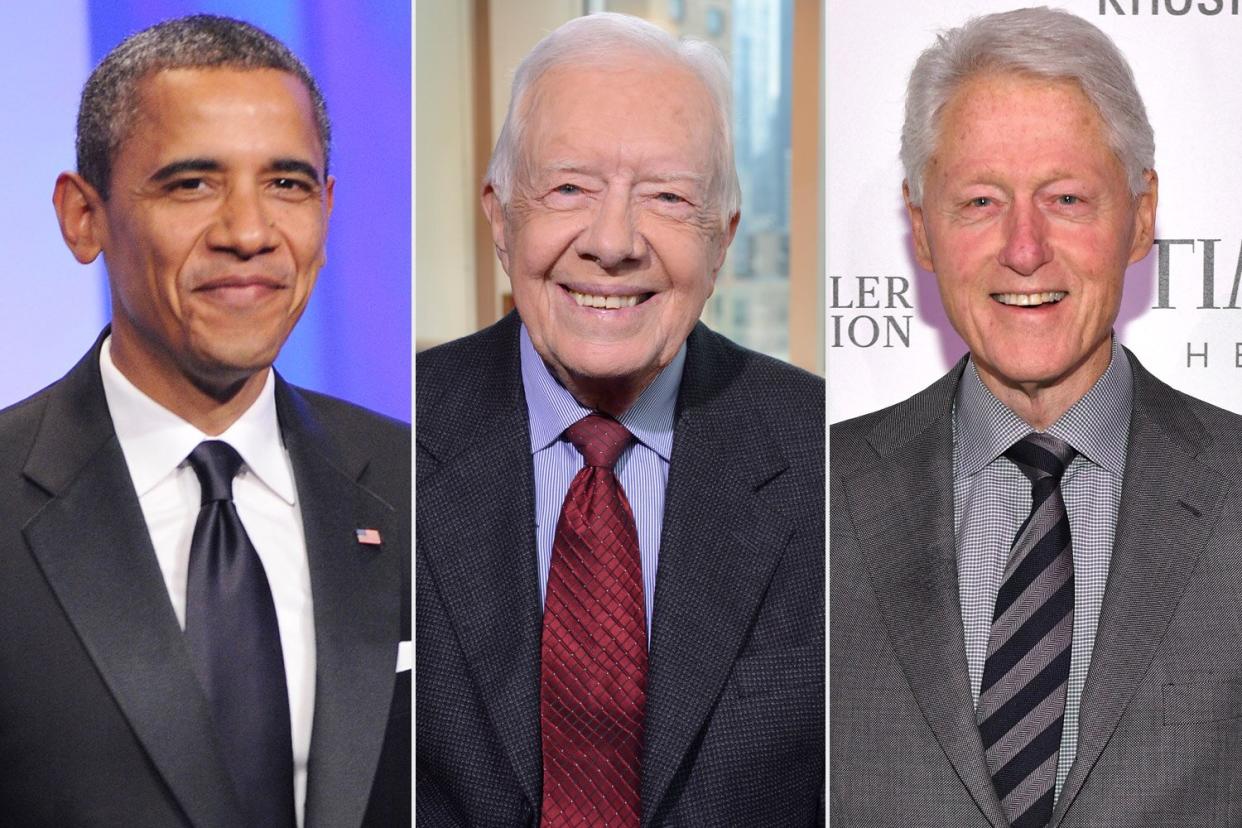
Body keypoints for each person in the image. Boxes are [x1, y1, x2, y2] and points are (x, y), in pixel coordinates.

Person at [831, 6, 1242, 826]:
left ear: (1141, 215)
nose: (1024, 249)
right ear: (922, 227)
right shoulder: (822, 493)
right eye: (981, 201)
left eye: (1065, 198)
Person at [0, 16, 408, 827]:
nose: (249, 233)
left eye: (287, 184)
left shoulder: (413, 478)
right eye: (192, 183)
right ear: (84, 217)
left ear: (327, 212)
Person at [416, 12, 824, 826]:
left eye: (668, 197)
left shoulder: (824, 456)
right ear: (500, 216)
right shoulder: (395, 433)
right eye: (569, 187)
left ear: (723, 240)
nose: (612, 243)